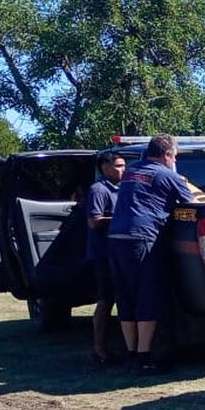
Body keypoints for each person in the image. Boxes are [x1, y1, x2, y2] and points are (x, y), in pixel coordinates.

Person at [107, 135, 193, 372]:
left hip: (116, 238)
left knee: (125, 296)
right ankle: (145, 357)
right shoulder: (168, 175)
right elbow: (192, 204)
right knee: (147, 296)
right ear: (166, 154)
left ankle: (131, 353)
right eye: (174, 156)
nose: (174, 159)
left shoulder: (131, 172)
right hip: (142, 238)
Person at [85, 152, 125, 365]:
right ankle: (99, 348)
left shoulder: (123, 189)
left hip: (122, 253)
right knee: (106, 300)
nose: (123, 169)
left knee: (124, 299)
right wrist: (123, 218)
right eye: (118, 166)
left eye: (124, 165)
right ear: (105, 167)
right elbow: (94, 221)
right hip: (104, 254)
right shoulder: (98, 190)